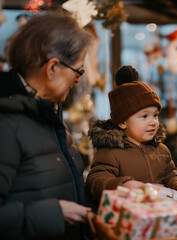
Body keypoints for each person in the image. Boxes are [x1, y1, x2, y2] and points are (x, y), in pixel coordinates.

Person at [0, 11, 93, 239]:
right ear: (52, 68)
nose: (79, 79)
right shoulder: (6, 124)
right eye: (78, 70)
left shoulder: (48, 114)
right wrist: (54, 213)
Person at [85, 66, 177, 206]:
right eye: (144, 116)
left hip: (160, 213)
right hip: (128, 216)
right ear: (123, 122)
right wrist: (124, 185)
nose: (153, 122)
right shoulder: (110, 152)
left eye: (155, 115)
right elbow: (96, 181)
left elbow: (170, 175)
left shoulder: (161, 150)